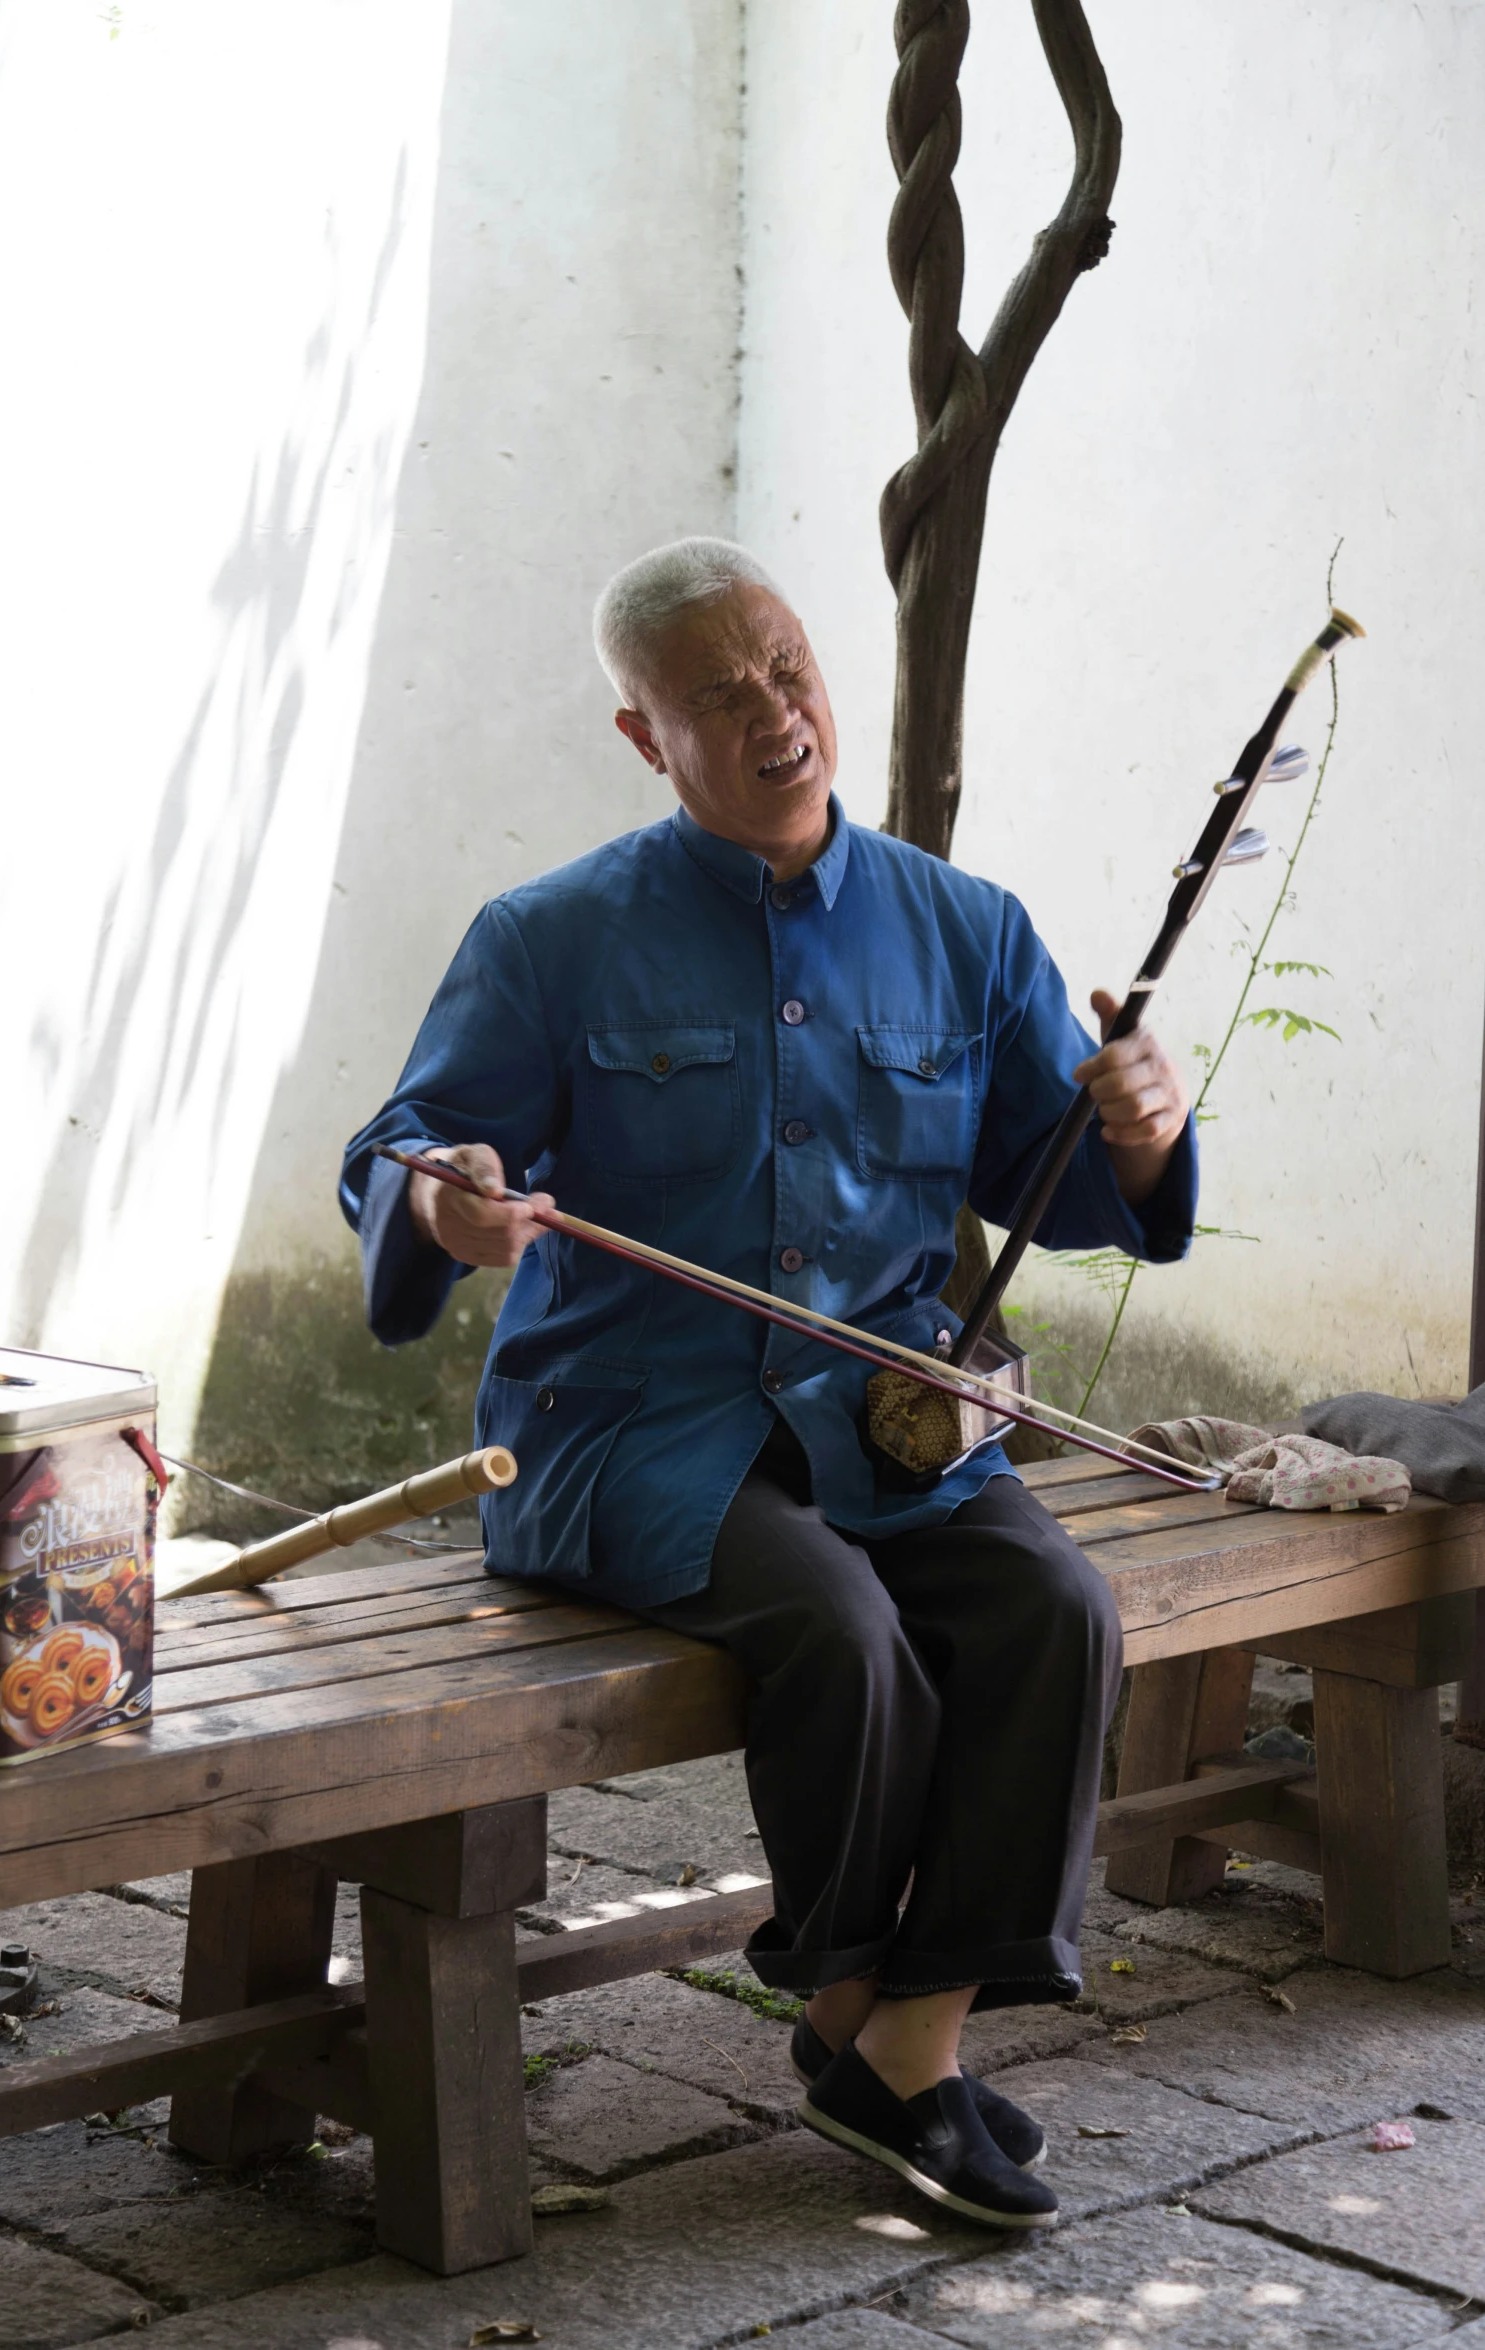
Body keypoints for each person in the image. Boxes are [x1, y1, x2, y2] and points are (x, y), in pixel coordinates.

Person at [341, 538, 1196, 2229]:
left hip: (887, 1418)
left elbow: (1068, 1186)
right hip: (624, 1424)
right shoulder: (551, 936)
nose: (777, 712)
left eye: (788, 665)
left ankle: (909, 2039)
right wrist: (446, 1196)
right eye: (719, 695)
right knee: (839, 1628)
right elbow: (394, 1153)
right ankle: (850, 2019)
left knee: (1053, 1607)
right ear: (641, 734)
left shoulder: (965, 929)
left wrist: (1143, 1125)